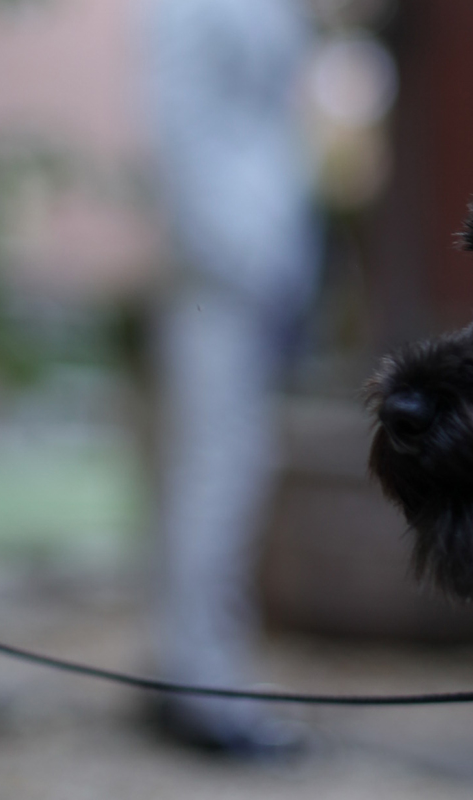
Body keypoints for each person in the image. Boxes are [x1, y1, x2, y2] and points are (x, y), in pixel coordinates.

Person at [143, 0, 321, 756]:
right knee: (217, 469)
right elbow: (176, 126)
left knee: (231, 467)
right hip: (223, 267)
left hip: (256, 259)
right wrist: (245, 257)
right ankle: (201, 684)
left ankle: (201, 670)